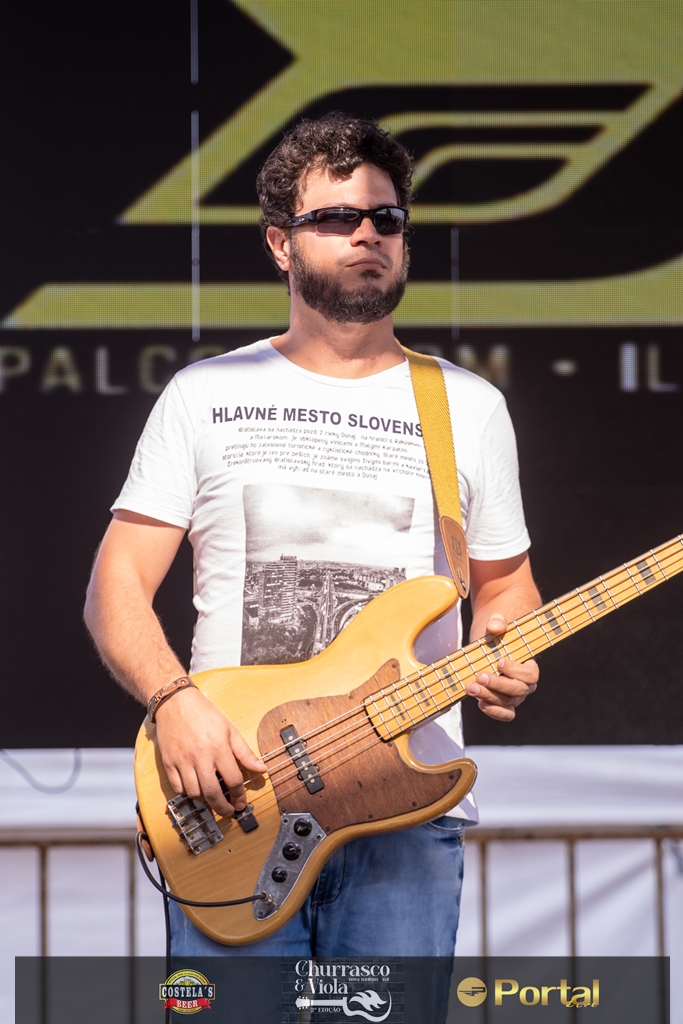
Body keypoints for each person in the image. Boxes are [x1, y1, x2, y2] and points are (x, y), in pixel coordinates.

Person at [84, 113, 540, 965]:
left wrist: (506, 646)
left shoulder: (469, 407)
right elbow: (116, 588)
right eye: (335, 217)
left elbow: (505, 587)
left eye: (385, 218)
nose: (366, 234)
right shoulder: (205, 394)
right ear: (279, 245)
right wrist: (173, 703)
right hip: (236, 801)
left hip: (406, 815)